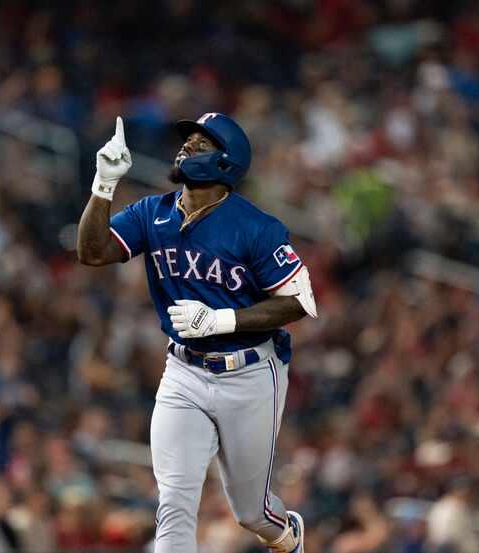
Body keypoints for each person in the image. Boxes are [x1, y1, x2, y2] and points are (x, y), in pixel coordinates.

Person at [77, 113, 318, 553]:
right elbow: (92, 251)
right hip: (183, 373)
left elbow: (300, 301)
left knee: (250, 512)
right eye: (187, 140)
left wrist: (221, 320)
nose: (186, 147)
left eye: (200, 143)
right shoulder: (154, 212)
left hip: (248, 374)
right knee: (173, 502)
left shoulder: (255, 227)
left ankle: (288, 535)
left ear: (225, 164)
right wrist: (103, 185)